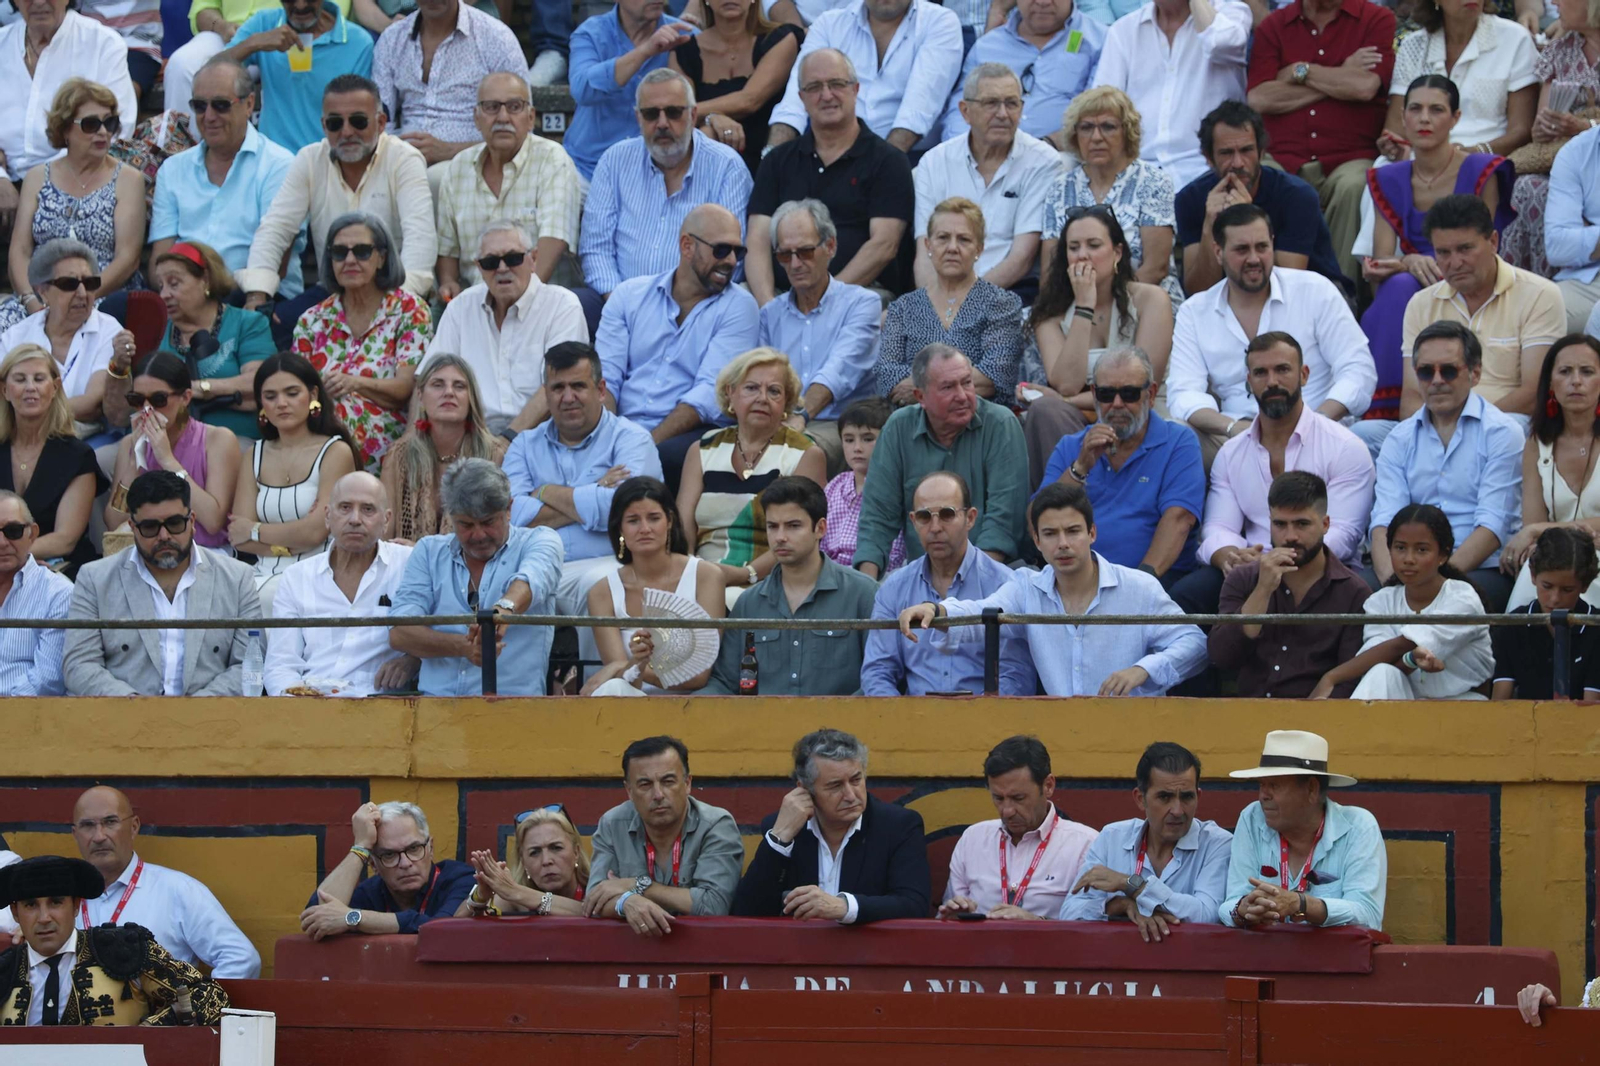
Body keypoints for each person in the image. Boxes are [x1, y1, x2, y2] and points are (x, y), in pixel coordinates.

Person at [901, 482, 1207, 696]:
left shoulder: (1139, 588)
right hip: (1061, 738)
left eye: (1073, 531)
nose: (1062, 543)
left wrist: (1143, 670)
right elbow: (980, 614)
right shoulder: (1026, 587)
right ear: (1036, 541)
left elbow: (1194, 643)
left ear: (1092, 533)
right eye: (1050, 533)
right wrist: (935, 609)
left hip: (1136, 733)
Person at [1174, 333, 1374, 615]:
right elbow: (1219, 528)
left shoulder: (1345, 447)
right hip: (1250, 571)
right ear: (1248, 381)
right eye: (1260, 372)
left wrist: (1275, 562)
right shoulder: (1231, 453)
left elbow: (1343, 535)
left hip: (1322, 570)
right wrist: (1228, 556)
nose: (1272, 382)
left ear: (1304, 375)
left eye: (1282, 369)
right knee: (1186, 596)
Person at [1168, 206, 1377, 468]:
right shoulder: (1195, 311)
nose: (1254, 258)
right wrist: (1234, 428)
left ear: (1273, 244)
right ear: (1218, 251)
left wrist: (1315, 421)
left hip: (1319, 432)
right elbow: (1184, 394)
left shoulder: (1315, 290)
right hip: (1237, 438)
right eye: (1241, 249)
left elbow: (1359, 369)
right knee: (1177, 435)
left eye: (1262, 247)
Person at [1360, 75, 1515, 426]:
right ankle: (1388, 409)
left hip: (1470, 273)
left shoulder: (1480, 169)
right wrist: (1409, 261)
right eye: (1414, 109)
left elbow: (1487, 247)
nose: (1424, 118)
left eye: (1437, 109)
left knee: (1401, 286)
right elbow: (1378, 267)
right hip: (1410, 283)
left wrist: (1416, 264)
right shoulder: (1388, 176)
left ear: (1456, 118)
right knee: (1396, 288)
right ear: (1403, 118)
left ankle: (1392, 409)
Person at [241, 75, 435, 340]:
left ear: (380, 123)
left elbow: (420, 238)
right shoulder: (309, 159)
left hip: (391, 290)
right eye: (335, 123)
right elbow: (276, 228)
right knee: (270, 325)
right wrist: (257, 294)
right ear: (323, 126)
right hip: (333, 292)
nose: (346, 132)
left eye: (358, 121)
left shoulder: (404, 159)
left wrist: (399, 306)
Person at [503, 342, 663, 635]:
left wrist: (543, 491)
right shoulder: (524, 445)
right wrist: (593, 490)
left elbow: (623, 510)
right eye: (558, 388)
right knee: (501, 592)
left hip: (609, 562)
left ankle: (605, 681)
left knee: (600, 586)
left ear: (600, 390)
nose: (568, 397)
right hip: (533, 565)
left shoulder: (632, 440)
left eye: (578, 386)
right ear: (546, 394)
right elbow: (511, 518)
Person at [595, 203, 760, 487]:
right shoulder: (628, 296)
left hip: (685, 432)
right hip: (618, 427)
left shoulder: (740, 306)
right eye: (721, 250)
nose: (732, 261)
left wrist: (644, 445)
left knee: (669, 456)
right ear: (687, 246)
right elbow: (605, 379)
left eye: (738, 251)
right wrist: (606, 440)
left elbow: (710, 393)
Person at [1369, 321, 1523, 611]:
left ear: (1475, 373)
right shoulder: (1399, 439)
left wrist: (1433, 585)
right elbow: (1383, 523)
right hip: (1407, 569)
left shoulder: (1503, 433)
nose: (1437, 380)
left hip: (1480, 569)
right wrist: (1393, 583)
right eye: (1426, 372)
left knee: (1453, 606)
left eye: (1449, 370)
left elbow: (1492, 528)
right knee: (1354, 593)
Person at [63, 470, 260, 696]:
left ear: (192, 521)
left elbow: (249, 665)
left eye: (175, 523)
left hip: (211, 720)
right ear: (132, 527)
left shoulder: (237, 578)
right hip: (124, 719)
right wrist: (137, 707)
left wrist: (198, 710)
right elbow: (79, 665)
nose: (164, 536)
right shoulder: (95, 579)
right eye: (150, 527)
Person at [745, 49, 916, 303]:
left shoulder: (889, 162)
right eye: (814, 87)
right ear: (801, 98)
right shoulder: (777, 161)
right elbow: (757, 240)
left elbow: (884, 246)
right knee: (737, 302)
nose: (826, 96)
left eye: (836, 84)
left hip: (859, 294)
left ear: (856, 89)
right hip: (781, 296)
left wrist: (824, 301)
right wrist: (766, 303)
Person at [1019, 206, 1175, 485]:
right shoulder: (1048, 313)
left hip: (1142, 412)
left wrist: (1064, 400)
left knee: (1055, 405)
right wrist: (1084, 306)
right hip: (1080, 419)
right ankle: (1064, 504)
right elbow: (1067, 382)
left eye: (1093, 245)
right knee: (1045, 412)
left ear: (1117, 253)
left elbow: (1141, 387)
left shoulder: (1152, 300)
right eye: (1074, 247)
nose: (1082, 255)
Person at [1244, 0, 1394, 289]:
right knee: (1258, 174)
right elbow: (1260, 98)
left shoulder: (1376, 19)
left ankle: (1340, 292)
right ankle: (1270, 294)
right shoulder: (1275, 26)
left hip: (1350, 155)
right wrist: (1340, 74)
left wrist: (1298, 72)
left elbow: (1364, 87)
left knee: (1355, 186)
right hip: (1282, 155)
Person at [388, 458, 563, 696]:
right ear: (450, 517)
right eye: (466, 525)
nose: (479, 535)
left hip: (514, 710)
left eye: (488, 522)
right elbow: (400, 632)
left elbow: (531, 580)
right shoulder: (428, 551)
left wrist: (502, 613)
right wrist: (464, 648)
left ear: (509, 509)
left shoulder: (541, 540)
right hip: (436, 710)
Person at [1036, 346, 1204, 585]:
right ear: (1094, 394)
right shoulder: (1071, 447)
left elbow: (1179, 519)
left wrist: (1139, 586)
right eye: (1106, 394)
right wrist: (1080, 467)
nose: (1116, 404)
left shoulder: (1179, 442)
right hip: (1076, 584)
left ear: (1152, 393)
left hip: (1156, 584)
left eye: (1129, 393)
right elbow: (1038, 518)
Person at [856, 346, 1028, 574]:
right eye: (948, 387)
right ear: (920, 396)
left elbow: (1003, 524)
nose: (963, 395)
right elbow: (877, 520)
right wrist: (867, 589)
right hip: (923, 576)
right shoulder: (898, 428)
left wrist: (963, 591)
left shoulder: (1000, 424)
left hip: (995, 575)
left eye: (967, 383)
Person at [582, 69, 754, 298]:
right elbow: (595, 248)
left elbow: (730, 259)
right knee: (576, 306)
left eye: (673, 112)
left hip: (701, 307)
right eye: (651, 114)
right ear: (638, 118)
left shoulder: (726, 167)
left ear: (693, 116)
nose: (662, 123)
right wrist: (619, 304)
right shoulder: (614, 161)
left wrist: (681, 310)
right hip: (622, 305)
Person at [0, 855, 229, 1026]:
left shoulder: (123, 949)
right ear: (16, 913)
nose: (44, 918)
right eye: (31, 905)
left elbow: (210, 995)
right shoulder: (5, 969)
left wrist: (149, 1033)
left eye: (56, 903)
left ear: (76, 906)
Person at [1399, 194, 1564, 427]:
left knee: (1515, 427)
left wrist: (1466, 426)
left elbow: (1533, 394)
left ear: (1493, 241)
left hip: (1503, 423)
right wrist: (1438, 431)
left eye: (1465, 249)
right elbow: (1411, 396)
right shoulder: (1421, 303)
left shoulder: (1539, 294)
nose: (1455, 263)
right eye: (1443, 253)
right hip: (1436, 426)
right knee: (1366, 433)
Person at [733, 729, 931, 923]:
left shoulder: (898, 826)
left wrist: (843, 907)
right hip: (798, 953)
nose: (851, 795)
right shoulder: (784, 827)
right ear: (805, 790)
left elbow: (914, 905)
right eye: (835, 786)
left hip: (870, 953)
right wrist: (779, 838)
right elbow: (746, 912)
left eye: (856, 780)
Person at [704, 475, 878, 695]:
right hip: (764, 726)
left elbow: (879, 678)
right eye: (772, 527)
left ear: (820, 528)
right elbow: (725, 682)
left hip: (843, 726)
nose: (780, 537)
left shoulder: (862, 594)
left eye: (793, 526)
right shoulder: (749, 603)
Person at [862, 471, 1031, 695]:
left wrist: (976, 720)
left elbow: (1016, 675)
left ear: (970, 518)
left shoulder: (1005, 584)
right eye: (924, 516)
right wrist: (900, 722)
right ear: (913, 521)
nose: (935, 527)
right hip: (912, 722)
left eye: (946, 514)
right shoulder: (894, 588)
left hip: (987, 721)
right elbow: (878, 671)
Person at [678, 348, 826, 602]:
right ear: (730, 393)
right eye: (751, 388)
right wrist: (690, 571)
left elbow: (799, 535)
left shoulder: (805, 454)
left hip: (771, 579)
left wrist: (744, 574)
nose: (762, 398)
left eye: (774, 391)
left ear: (787, 403)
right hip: (702, 574)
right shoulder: (703, 449)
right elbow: (683, 525)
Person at [150, 58, 303, 300]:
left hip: (256, 296)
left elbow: (276, 262)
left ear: (249, 104)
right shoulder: (172, 169)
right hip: (186, 300)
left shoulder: (279, 165)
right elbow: (160, 259)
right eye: (199, 105)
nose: (209, 116)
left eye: (221, 105)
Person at [69, 786, 259, 979]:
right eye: (88, 825)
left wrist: (197, 1004)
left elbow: (242, 959)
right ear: (75, 834)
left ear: (134, 827)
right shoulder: (61, 899)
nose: (99, 836)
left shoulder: (177, 891)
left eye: (110, 822)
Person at [1, 79, 145, 333]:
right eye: (91, 124)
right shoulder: (37, 177)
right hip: (41, 297)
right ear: (65, 129)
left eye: (109, 123)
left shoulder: (128, 180)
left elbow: (127, 259)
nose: (103, 132)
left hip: (100, 295)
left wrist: (76, 298)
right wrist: (30, 299)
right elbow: (20, 251)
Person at [1211, 471, 1371, 697]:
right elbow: (1221, 657)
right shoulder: (1244, 579)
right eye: (1280, 524)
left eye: (1302, 524)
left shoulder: (1353, 591)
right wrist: (1262, 590)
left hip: (1317, 721)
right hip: (1249, 714)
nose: (1290, 536)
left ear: (1325, 524)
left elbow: (1349, 681)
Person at [291, 212, 430, 470]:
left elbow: (405, 389)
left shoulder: (410, 310)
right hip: (319, 431)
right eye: (340, 252)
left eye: (363, 251)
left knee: (342, 409)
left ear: (382, 258)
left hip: (389, 436)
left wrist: (353, 383)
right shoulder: (311, 320)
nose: (350, 260)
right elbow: (295, 389)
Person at [913, 64, 1062, 300]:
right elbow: (924, 253)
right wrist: (935, 305)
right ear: (965, 111)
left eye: (1011, 103)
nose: (1003, 114)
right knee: (881, 324)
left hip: (1008, 294)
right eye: (991, 103)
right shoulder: (934, 162)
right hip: (939, 296)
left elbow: (1021, 258)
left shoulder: (1043, 162)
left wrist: (961, 304)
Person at [757, 198, 883, 474]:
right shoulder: (770, 314)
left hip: (842, 424)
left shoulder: (862, 303)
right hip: (783, 420)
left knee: (798, 453)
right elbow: (763, 379)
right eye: (784, 255)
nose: (795, 263)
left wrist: (800, 415)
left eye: (805, 252)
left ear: (831, 247)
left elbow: (839, 370)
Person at [431, 221, 589, 439]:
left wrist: (507, 440)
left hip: (541, 438)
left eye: (513, 258)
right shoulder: (460, 307)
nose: (502, 268)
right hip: (470, 437)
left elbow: (558, 387)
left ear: (533, 259)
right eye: (491, 262)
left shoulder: (561, 306)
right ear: (479, 267)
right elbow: (429, 378)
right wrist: (408, 439)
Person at [433, 72, 583, 303]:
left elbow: (554, 239)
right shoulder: (458, 168)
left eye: (514, 107)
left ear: (531, 117)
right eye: (492, 107)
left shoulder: (552, 160)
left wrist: (513, 303)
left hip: (541, 301)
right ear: (476, 117)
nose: (503, 117)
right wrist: (448, 281)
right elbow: (447, 249)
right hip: (474, 305)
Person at [266, 471, 418, 696]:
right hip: (310, 707)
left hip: (383, 707)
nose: (355, 519)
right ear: (327, 516)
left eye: (368, 509)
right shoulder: (297, 577)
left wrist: (414, 661)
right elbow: (281, 664)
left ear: (386, 520)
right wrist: (296, 702)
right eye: (345, 507)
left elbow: (445, 633)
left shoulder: (409, 565)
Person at [1321, 503, 1494, 699]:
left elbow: (1403, 644)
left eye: (1421, 550)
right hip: (1405, 700)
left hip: (1464, 703)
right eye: (1400, 548)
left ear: (1443, 555)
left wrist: (1331, 677)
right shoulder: (1381, 601)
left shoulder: (1462, 597)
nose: (1408, 559)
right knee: (1381, 673)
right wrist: (1411, 659)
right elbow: (1379, 663)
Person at [1059, 742, 1233, 936]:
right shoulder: (1112, 838)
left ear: (1198, 797)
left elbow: (1206, 915)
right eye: (1165, 797)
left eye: (1187, 797)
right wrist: (1117, 905)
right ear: (1140, 799)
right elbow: (1069, 914)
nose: (1177, 810)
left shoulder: (1217, 843)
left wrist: (1132, 885)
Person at [1173, 101, 1345, 296]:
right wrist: (1210, 225)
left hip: (1316, 296)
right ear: (1208, 157)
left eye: (1246, 150)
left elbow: (1288, 285)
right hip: (1232, 301)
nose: (1238, 163)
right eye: (1226, 153)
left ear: (1262, 152)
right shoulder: (1190, 199)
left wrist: (1247, 217)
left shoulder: (1297, 196)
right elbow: (1199, 292)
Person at [228, 354, 359, 609]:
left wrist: (255, 529)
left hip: (322, 574)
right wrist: (292, 542)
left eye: (291, 393)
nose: (281, 403)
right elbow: (238, 537)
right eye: (271, 396)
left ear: (312, 395)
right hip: (260, 574)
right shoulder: (253, 454)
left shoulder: (335, 451)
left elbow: (315, 532)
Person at [1220, 730, 1386, 931]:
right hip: (1263, 958)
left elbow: (1368, 915)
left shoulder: (1359, 826)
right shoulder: (1251, 817)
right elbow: (1230, 903)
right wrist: (1242, 910)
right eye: (1261, 785)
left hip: (1331, 960)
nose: (1263, 795)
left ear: (1311, 789)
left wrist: (1301, 904)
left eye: (1274, 785)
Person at [583, 736, 744, 936]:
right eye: (645, 784)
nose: (658, 794)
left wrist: (638, 886)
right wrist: (627, 901)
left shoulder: (716, 825)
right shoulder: (612, 824)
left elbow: (714, 905)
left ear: (687, 784)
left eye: (668, 782)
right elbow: (594, 900)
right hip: (634, 953)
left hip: (702, 950)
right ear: (629, 791)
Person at [582, 476, 727, 696]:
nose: (645, 528)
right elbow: (624, 680)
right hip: (630, 699)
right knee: (613, 688)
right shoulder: (602, 591)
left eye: (653, 518)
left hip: (691, 702)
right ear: (619, 527)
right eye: (633, 520)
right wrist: (623, 668)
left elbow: (699, 675)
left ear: (669, 521)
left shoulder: (706, 576)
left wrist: (626, 666)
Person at [877, 197, 1024, 405]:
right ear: (928, 245)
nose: (952, 248)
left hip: (980, 421)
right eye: (943, 238)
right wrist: (958, 381)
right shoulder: (903, 308)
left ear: (979, 249)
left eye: (964, 239)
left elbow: (995, 375)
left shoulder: (1001, 303)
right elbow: (887, 375)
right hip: (913, 424)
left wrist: (924, 389)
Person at [767, 0, 962, 156]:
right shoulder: (829, 24)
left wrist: (878, 168)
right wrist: (770, 159)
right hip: (828, 155)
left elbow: (917, 113)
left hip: (907, 157)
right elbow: (793, 103)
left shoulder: (940, 22)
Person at [1091, 0, 1252, 188]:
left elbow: (1219, 44)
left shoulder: (1232, 12)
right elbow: (1101, 107)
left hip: (1206, 170)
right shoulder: (1123, 30)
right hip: (1135, 171)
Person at [1040, 87, 1180, 302]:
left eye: (1108, 127)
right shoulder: (1059, 188)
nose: (1096, 137)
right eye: (1086, 128)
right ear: (1075, 135)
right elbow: (1050, 272)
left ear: (1127, 132)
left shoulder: (1154, 181)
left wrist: (1107, 309)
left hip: (1142, 299)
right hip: (1073, 302)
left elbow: (1155, 268)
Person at [940, 736, 1097, 920]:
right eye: (998, 798)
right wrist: (954, 918)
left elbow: (1091, 929)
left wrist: (1036, 924)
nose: (1007, 811)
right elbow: (948, 921)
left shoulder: (1085, 845)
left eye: (1018, 798)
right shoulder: (972, 839)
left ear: (1048, 786)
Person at [1499, 0, 1600, 278]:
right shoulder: (1561, 49)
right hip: (1559, 160)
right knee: (1526, 187)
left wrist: (1583, 126)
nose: (1554, 3)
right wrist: (1546, 125)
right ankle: (1527, 284)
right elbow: (1537, 131)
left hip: (1595, 163)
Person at [105, 352, 241, 551]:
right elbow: (114, 523)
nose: (146, 409)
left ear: (185, 397)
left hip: (207, 553)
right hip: (149, 555)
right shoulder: (130, 444)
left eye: (158, 399)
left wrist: (167, 460)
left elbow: (213, 522)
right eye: (137, 399)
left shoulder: (218, 440)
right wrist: (134, 463)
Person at [1502, 335, 1600, 610]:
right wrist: (1539, 531)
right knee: (1533, 579)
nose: (1576, 381)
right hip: (1557, 558)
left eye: (1587, 371)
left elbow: (1533, 528)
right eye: (1565, 371)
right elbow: (1532, 525)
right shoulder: (1536, 444)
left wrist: (1537, 530)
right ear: (1551, 383)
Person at [0, 240, 134, 436]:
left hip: (84, 439)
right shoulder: (17, 335)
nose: (82, 293)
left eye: (89, 283)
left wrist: (28, 413)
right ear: (42, 291)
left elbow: (92, 403)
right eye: (69, 284)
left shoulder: (109, 329)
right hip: (20, 438)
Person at [370, 0, 525, 168]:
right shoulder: (392, 39)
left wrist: (451, 151)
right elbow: (381, 121)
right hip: (403, 161)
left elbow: (520, 131)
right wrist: (395, 153)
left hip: (472, 165)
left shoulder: (496, 37)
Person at [148, 242, 277, 443]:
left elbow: (261, 383)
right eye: (161, 285)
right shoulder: (157, 329)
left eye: (174, 284)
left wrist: (199, 389)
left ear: (205, 280)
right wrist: (229, 393)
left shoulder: (248, 323)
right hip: (166, 441)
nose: (164, 294)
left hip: (237, 442)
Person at [1380, 0, 1536, 166]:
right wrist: (1392, 145)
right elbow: (1395, 128)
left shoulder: (1515, 38)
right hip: (1419, 157)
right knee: (1383, 169)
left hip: (1487, 160)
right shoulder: (1413, 45)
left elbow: (1521, 131)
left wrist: (1472, 153)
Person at [0, 0, 135, 188]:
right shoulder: (2, 44)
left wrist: (42, 182)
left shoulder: (103, 44)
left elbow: (119, 128)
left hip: (74, 181)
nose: (39, 2)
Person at [0, 342, 107, 579]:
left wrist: (12, 556)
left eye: (39, 379)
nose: (30, 388)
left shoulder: (78, 455)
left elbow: (64, 540)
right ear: (5, 390)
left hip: (60, 570)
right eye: (20, 379)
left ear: (55, 387)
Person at [942, 0, 1105, 148]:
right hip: (989, 156)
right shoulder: (988, 46)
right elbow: (961, 111)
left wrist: (1046, 146)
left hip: (1063, 158)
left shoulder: (1099, 42)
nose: (1043, 2)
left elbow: (1099, 114)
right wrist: (966, 153)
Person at [299, 801, 474, 939]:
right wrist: (361, 846)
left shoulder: (460, 879)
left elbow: (440, 927)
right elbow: (317, 917)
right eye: (389, 855)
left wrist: (354, 919)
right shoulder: (371, 892)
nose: (405, 863)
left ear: (431, 848)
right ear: (374, 865)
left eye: (414, 849)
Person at [379, 353, 507, 541]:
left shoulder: (494, 455)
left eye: (459, 386)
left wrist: (422, 553)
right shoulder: (398, 456)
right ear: (420, 396)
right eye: (438, 385)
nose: (449, 392)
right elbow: (382, 535)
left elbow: (496, 536)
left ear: (471, 398)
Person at [219, 0, 376, 154]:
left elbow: (360, 117)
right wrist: (254, 43)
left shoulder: (358, 42)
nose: (300, 5)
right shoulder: (264, 24)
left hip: (328, 162)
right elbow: (211, 72)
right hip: (273, 164)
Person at [564, 0, 696, 182]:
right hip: (588, 167)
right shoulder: (591, 33)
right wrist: (644, 52)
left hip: (657, 171)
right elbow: (582, 89)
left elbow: (709, 95)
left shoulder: (684, 34)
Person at [670, 0, 805, 172]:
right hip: (713, 155)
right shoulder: (684, 50)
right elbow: (676, 116)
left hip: (770, 154)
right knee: (706, 134)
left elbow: (749, 100)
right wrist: (712, 118)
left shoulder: (780, 38)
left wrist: (702, 112)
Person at [1494, 527, 1600, 699]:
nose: (1555, 598)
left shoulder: (1596, 627)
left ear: (1585, 585)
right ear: (1533, 575)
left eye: (1567, 589)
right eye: (1547, 586)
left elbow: (1593, 705)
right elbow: (1500, 701)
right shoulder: (1513, 625)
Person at [820, 398, 905, 572]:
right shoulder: (835, 486)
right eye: (849, 440)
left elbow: (896, 553)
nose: (857, 448)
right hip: (830, 574)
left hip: (880, 575)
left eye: (868, 439)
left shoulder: (897, 489)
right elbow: (820, 542)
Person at [457, 806, 591, 917]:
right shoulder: (513, 897)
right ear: (523, 862)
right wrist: (480, 896)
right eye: (534, 852)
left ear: (576, 852)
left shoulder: (595, 887)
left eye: (556, 848)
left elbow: (588, 912)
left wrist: (518, 893)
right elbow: (455, 931)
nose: (546, 861)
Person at [0, 491, 71, 696]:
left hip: (27, 718)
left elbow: (48, 680)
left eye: (13, 531)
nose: (2, 543)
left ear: (32, 533)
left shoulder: (58, 592)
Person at [1544, 123, 1600, 334]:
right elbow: (1558, 246)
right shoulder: (1575, 153)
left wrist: (1590, 233)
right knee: (1535, 314)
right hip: (1591, 281)